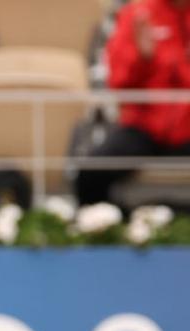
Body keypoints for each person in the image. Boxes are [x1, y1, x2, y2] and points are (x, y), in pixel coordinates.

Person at [76, 0, 190, 207]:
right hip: (144, 127)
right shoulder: (138, 13)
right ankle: (112, 229)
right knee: (91, 172)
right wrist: (142, 59)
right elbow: (118, 82)